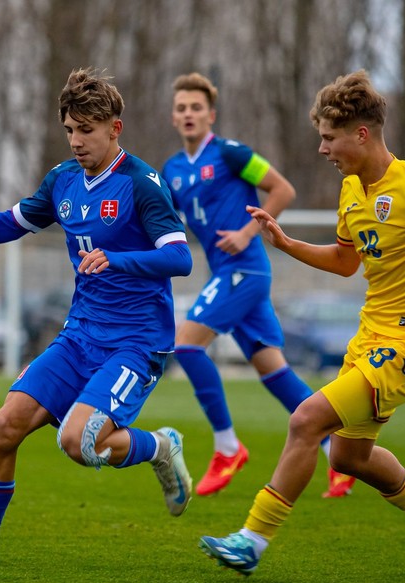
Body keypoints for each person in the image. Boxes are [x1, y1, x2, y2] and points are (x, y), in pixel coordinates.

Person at [199, 70, 405, 575]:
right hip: (372, 338)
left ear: (361, 134)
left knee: (305, 420)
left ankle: (252, 539)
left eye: (328, 138)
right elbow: (345, 261)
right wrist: (288, 244)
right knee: (347, 458)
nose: (323, 150)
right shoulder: (351, 190)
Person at [0, 68, 194, 567]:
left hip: (136, 343)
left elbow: (180, 259)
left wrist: (117, 258)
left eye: (87, 130)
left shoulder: (142, 185)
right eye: (70, 130)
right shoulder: (62, 182)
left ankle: (160, 447)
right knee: (4, 426)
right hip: (79, 336)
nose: (76, 141)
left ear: (115, 128)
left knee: (78, 442)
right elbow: (10, 224)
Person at [162, 72, 356, 499]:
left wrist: (247, 233)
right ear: (173, 118)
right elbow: (168, 219)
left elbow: (281, 190)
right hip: (226, 275)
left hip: (245, 269)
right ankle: (337, 453)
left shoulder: (231, 154)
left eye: (196, 107)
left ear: (210, 115)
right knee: (273, 370)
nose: (189, 114)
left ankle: (227, 447)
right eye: (181, 108)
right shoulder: (172, 171)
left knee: (187, 345)